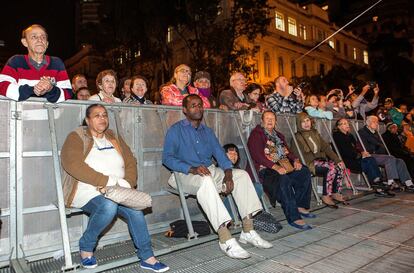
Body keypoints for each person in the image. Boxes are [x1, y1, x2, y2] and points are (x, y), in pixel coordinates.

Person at [61, 104, 169, 272]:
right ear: (87, 120)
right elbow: (72, 164)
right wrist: (106, 180)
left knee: (135, 210)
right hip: (87, 188)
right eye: (97, 115)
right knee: (108, 206)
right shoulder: (77, 136)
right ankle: (86, 246)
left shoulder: (113, 136)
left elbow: (130, 161)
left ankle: (147, 257)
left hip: (117, 188)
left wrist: (128, 182)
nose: (102, 118)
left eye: (104, 115)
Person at [162, 94, 272, 259]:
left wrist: (228, 174)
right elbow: (167, 158)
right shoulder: (176, 130)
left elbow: (221, 156)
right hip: (183, 174)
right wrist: (191, 168)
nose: (198, 108)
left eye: (200, 105)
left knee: (240, 175)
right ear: (184, 110)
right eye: (193, 105)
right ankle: (225, 238)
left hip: (209, 170)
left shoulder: (207, 131)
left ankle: (248, 230)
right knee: (206, 180)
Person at [247, 111, 314, 230]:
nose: (270, 121)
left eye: (272, 118)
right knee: (283, 179)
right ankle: (293, 216)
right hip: (266, 169)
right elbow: (257, 155)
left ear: (276, 122)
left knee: (303, 172)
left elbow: (287, 152)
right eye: (267, 118)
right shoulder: (256, 134)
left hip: (283, 166)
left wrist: (296, 161)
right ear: (262, 121)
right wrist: (275, 167)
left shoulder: (279, 136)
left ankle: (300, 205)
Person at [0, 24, 72, 102]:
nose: (40, 40)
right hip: (20, 113)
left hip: (50, 113)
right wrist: (33, 90)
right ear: (25, 42)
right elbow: (2, 86)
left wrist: (50, 89)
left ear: (47, 43)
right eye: (34, 37)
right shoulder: (16, 61)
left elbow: (68, 93)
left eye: (43, 37)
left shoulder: (56, 63)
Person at [291, 112, 347, 208]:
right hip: (309, 163)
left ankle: (335, 192)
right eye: (303, 121)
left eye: (307, 120)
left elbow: (326, 148)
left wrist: (338, 160)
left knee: (339, 165)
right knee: (331, 168)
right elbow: (296, 155)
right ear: (299, 124)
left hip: (320, 161)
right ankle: (326, 195)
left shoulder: (315, 133)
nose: (306, 123)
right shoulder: (297, 137)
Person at [332, 118, 394, 197]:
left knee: (371, 159)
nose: (347, 125)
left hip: (356, 157)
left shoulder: (349, 135)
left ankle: (378, 183)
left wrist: (363, 152)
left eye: (347, 123)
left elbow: (357, 147)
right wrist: (361, 155)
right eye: (344, 124)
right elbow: (345, 151)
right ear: (338, 127)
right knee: (369, 161)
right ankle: (377, 185)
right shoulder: (337, 136)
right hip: (347, 160)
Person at [358, 116, 413, 191]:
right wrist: (379, 146)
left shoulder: (376, 132)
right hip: (370, 154)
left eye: (377, 122)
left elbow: (381, 146)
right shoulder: (363, 132)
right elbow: (371, 145)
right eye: (374, 122)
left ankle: (408, 183)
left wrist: (380, 146)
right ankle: (391, 182)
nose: (377, 124)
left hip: (380, 154)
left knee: (400, 161)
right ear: (368, 123)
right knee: (390, 158)